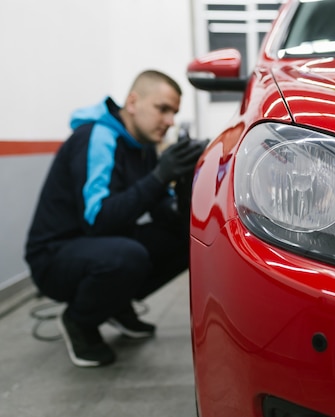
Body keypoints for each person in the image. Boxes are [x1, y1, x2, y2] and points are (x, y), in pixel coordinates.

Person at [24, 70, 206, 367]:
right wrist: (160, 176)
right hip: (53, 257)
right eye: (163, 109)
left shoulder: (143, 146)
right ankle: (79, 321)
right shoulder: (98, 137)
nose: (170, 121)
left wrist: (184, 182)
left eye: (174, 112)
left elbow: (164, 214)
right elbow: (98, 220)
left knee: (187, 238)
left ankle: (115, 305)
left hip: (98, 245)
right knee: (126, 257)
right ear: (133, 102)